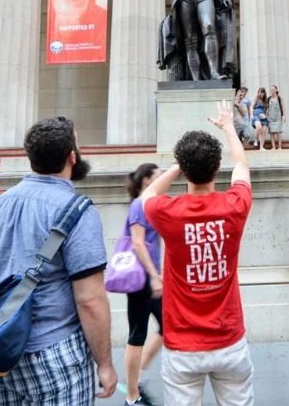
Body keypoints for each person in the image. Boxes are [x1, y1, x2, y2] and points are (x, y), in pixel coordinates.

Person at [0, 117, 116, 404]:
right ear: (72, 156)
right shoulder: (77, 210)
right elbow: (90, 300)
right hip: (56, 353)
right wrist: (104, 363)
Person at [141, 102, 254, 406]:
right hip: (229, 339)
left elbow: (147, 196)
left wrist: (179, 165)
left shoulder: (168, 212)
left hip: (182, 346)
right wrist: (229, 127)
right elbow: (242, 168)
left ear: (184, 170)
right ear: (218, 167)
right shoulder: (235, 206)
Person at [123, 163, 164, 406]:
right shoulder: (139, 205)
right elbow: (138, 244)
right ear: (147, 181)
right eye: (158, 176)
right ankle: (131, 395)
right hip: (141, 280)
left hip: (150, 279)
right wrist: (153, 275)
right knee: (136, 336)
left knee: (167, 327)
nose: (161, 179)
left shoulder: (146, 204)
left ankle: (138, 377)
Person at [267, 85, 286, 150]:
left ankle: (280, 147)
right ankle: (273, 147)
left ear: (276, 90)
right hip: (271, 117)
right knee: (271, 132)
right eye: (271, 89)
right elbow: (267, 108)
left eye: (273, 89)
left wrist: (283, 116)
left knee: (278, 132)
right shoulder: (269, 98)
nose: (271, 90)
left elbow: (283, 107)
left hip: (278, 117)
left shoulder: (280, 98)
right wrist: (266, 116)